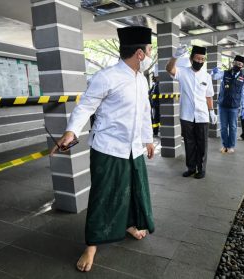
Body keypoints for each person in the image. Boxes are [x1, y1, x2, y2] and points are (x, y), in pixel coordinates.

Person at [50, 26, 155, 272]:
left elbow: (144, 115)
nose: (151, 54)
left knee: (133, 191)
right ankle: (91, 245)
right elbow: (86, 106)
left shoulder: (141, 79)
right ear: (139, 53)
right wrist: (71, 131)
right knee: (103, 196)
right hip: (108, 148)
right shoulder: (106, 77)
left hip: (134, 149)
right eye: (149, 49)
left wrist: (148, 139)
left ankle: (130, 223)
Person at [166, 45, 217, 179]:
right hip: (186, 115)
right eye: (197, 59)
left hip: (202, 115)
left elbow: (209, 96)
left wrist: (212, 111)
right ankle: (191, 167)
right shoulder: (182, 72)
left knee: (202, 144)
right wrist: (175, 56)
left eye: (202, 59)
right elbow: (169, 69)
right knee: (189, 143)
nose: (200, 61)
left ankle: (201, 169)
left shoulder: (206, 76)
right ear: (191, 59)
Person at [211, 55, 244, 154]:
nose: (238, 65)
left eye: (240, 64)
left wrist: (243, 107)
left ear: (242, 66)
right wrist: (213, 72)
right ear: (233, 63)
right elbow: (215, 76)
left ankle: (231, 146)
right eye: (236, 63)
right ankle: (224, 145)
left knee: (233, 127)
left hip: (234, 106)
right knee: (223, 127)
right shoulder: (225, 73)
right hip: (222, 104)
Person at [149, 66, 160, 136]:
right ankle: (155, 132)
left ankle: (155, 132)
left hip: (158, 105)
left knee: (156, 119)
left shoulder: (159, 84)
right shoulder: (154, 84)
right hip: (154, 105)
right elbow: (149, 92)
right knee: (155, 119)